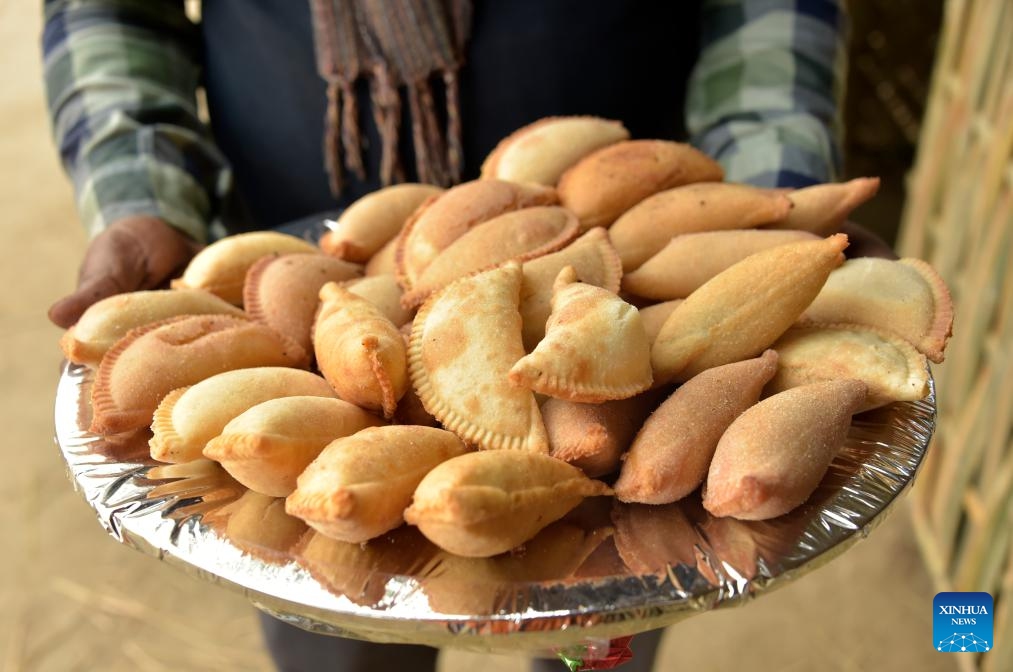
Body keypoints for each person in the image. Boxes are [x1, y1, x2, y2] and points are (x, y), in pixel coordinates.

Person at [42, 1, 863, 670]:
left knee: (602, 630)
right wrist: (140, 186)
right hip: (303, 226)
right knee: (336, 625)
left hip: (629, 218)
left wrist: (774, 201)